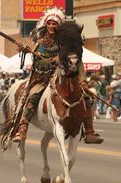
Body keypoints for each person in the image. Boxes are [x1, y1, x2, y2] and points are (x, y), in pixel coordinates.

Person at [11, 7, 103, 144]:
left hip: (64, 77)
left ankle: (89, 131)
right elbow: (36, 63)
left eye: (54, 24)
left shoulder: (66, 42)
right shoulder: (40, 42)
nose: (52, 26)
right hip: (42, 78)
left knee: (86, 97)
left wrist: (82, 79)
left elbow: (78, 62)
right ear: (46, 24)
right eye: (49, 23)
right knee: (32, 96)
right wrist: (45, 59)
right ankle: (22, 128)